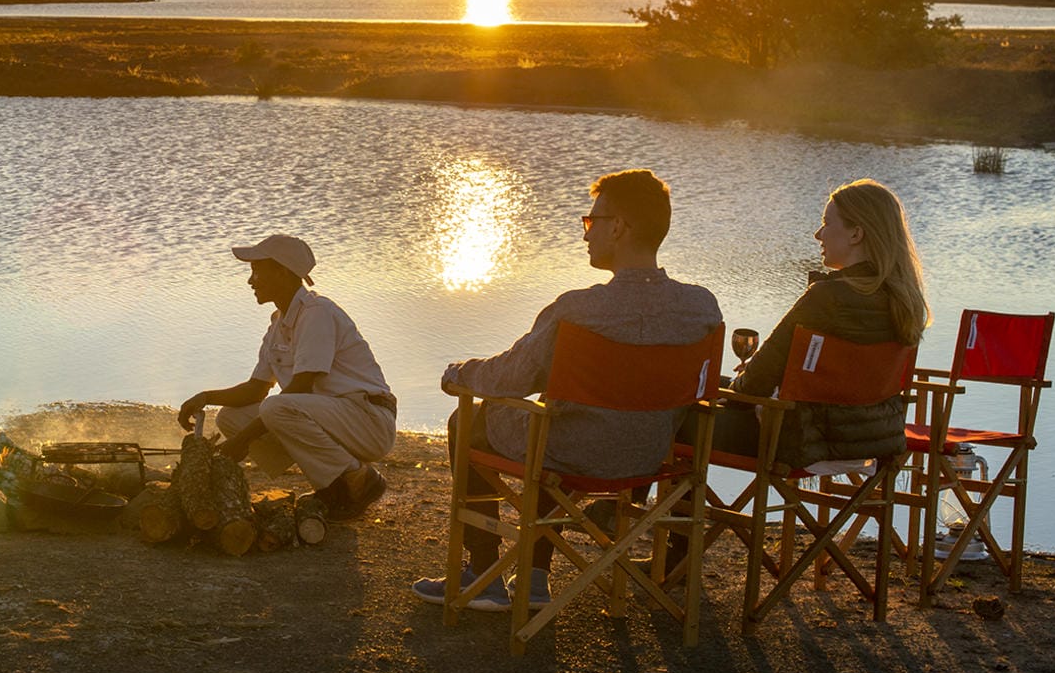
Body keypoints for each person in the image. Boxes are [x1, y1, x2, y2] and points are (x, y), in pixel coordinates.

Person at [412, 169, 722, 611]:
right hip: (650, 456)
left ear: (618, 227)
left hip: (573, 451)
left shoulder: (580, 310)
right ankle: (534, 578)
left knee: (475, 419)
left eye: (591, 221)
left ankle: (482, 573)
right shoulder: (701, 307)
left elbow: (513, 378)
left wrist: (459, 372)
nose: (585, 234)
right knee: (549, 415)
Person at [177, 234, 395, 520]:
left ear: (282, 271)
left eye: (257, 271)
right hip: (332, 418)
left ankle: (358, 479)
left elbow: (300, 388)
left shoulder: (317, 313)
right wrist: (205, 397)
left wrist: (242, 441)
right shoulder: (278, 323)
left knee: (276, 408)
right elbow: (256, 390)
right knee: (229, 417)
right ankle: (334, 486)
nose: (250, 281)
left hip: (367, 420)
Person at [716, 179, 929, 465]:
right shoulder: (906, 300)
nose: (818, 234)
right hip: (873, 439)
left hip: (802, 441)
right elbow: (843, 376)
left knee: (681, 401)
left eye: (827, 224)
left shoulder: (827, 297)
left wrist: (729, 397)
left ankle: (672, 509)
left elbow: (756, 382)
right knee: (709, 385)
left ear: (856, 234)